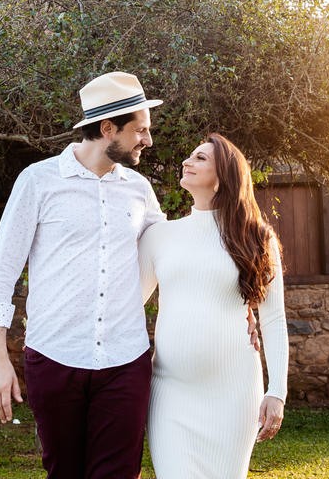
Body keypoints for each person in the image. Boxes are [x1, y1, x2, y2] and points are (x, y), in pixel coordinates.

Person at [0, 72, 257, 479]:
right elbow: (1, 272)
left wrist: (236, 304)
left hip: (126, 361)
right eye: (140, 130)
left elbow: (176, 253)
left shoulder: (139, 190)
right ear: (108, 129)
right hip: (55, 357)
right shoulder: (38, 182)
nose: (148, 140)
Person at [138, 133, 289, 479]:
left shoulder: (257, 238)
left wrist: (277, 392)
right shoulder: (159, 236)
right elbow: (128, 308)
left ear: (224, 178)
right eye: (190, 156)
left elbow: (275, 318)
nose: (187, 162)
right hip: (169, 391)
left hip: (233, 392)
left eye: (200, 158)